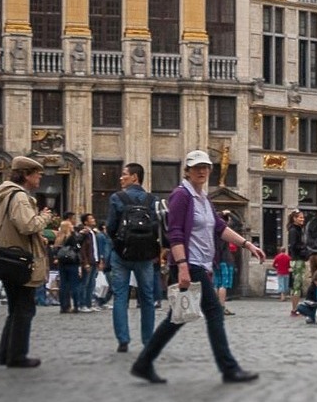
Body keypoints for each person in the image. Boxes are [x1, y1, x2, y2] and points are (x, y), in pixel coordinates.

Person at [129, 150, 262, 386]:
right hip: (189, 264)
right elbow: (175, 232)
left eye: (205, 167)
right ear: (187, 171)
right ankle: (229, 368)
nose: (202, 171)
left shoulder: (203, 198)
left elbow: (219, 227)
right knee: (214, 312)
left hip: (199, 264)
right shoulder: (181, 195)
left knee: (177, 317)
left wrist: (247, 244)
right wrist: (182, 266)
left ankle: (143, 363)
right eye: (196, 167)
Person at [0, 156, 56, 369]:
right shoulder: (19, 196)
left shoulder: (8, 194)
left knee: (15, 309)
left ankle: (5, 354)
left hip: (9, 259)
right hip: (20, 261)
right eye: (37, 174)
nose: (39, 178)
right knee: (25, 309)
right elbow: (27, 225)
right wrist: (44, 217)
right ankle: (17, 356)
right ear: (26, 175)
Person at [105, 163, 161, 354]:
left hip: (122, 254)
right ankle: (148, 339)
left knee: (121, 296)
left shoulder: (117, 198)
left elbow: (111, 227)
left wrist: (118, 243)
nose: (121, 178)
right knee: (147, 297)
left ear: (135, 177)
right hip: (145, 255)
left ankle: (123, 339)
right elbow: (157, 227)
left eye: (124, 174)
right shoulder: (152, 200)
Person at [50, 213, 85, 315]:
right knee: (74, 285)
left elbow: (55, 251)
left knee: (63, 285)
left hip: (62, 263)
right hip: (72, 262)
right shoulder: (72, 237)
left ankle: (64, 306)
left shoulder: (59, 238)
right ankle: (76, 305)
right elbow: (78, 247)